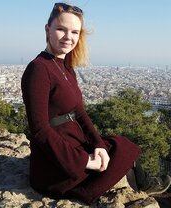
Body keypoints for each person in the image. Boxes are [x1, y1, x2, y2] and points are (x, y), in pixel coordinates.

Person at [21, 2, 171, 204]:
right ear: (47, 29)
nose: (68, 37)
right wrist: (84, 161)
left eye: (74, 32)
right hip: (54, 161)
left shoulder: (66, 68)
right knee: (118, 156)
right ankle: (141, 191)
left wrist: (98, 145)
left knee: (118, 144)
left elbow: (79, 112)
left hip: (71, 139)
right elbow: (40, 130)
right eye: (61, 29)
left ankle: (142, 186)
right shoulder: (38, 69)